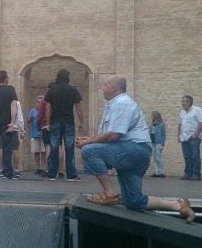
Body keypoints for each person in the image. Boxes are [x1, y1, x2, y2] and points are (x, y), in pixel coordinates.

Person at [76, 76, 195, 224]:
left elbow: (113, 135)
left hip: (134, 149)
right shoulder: (115, 104)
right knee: (133, 202)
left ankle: (109, 193)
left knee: (89, 151)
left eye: (105, 85)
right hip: (132, 153)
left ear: (113, 88)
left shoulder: (122, 103)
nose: (102, 88)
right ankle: (179, 205)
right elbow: (110, 136)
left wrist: (89, 142)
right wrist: (90, 139)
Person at [44, 69, 83, 181]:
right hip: (69, 122)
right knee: (69, 148)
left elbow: (48, 108)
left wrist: (48, 123)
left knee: (54, 148)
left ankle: (51, 174)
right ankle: (71, 175)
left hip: (55, 122)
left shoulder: (52, 90)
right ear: (67, 78)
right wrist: (81, 122)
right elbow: (78, 107)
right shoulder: (73, 90)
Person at [178, 95, 202, 181]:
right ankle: (188, 173)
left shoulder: (197, 110)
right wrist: (178, 135)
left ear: (189, 102)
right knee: (186, 156)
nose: (182, 103)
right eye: (182, 101)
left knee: (195, 156)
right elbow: (179, 124)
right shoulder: (181, 112)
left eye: (184, 101)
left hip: (194, 137)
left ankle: (196, 174)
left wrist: (196, 134)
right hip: (184, 137)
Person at [28, 95, 46, 176]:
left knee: (43, 152)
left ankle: (43, 168)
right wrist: (30, 118)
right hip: (34, 134)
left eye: (41, 101)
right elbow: (28, 121)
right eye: (38, 102)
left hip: (43, 134)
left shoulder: (46, 110)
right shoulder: (32, 111)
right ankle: (37, 168)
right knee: (36, 152)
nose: (39, 103)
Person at [149, 111, 166, 178]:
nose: (151, 117)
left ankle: (161, 172)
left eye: (152, 116)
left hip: (158, 143)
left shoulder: (161, 125)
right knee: (154, 158)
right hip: (152, 143)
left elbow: (163, 135)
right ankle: (156, 172)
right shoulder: (151, 125)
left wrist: (162, 144)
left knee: (158, 158)